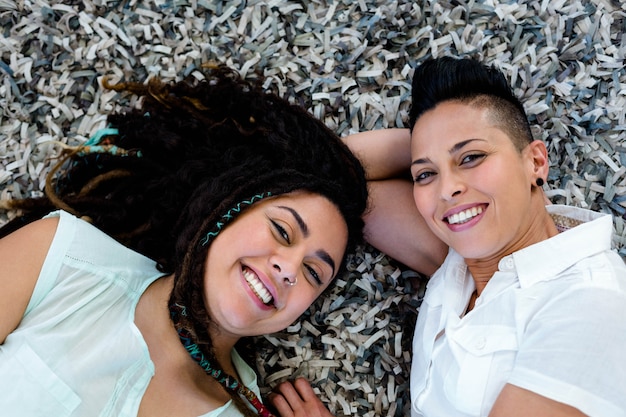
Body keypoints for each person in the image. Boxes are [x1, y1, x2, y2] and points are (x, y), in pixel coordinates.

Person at [0, 66, 368, 417]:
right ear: (226, 204)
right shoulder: (63, 256)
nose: (289, 269)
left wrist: (423, 158)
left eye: (313, 272)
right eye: (282, 231)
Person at [343, 56, 626, 416]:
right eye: (426, 175)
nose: (447, 189)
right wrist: (422, 143)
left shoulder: (589, 300)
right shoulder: (459, 264)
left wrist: (432, 149)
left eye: (472, 157)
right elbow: (335, 175)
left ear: (536, 163)